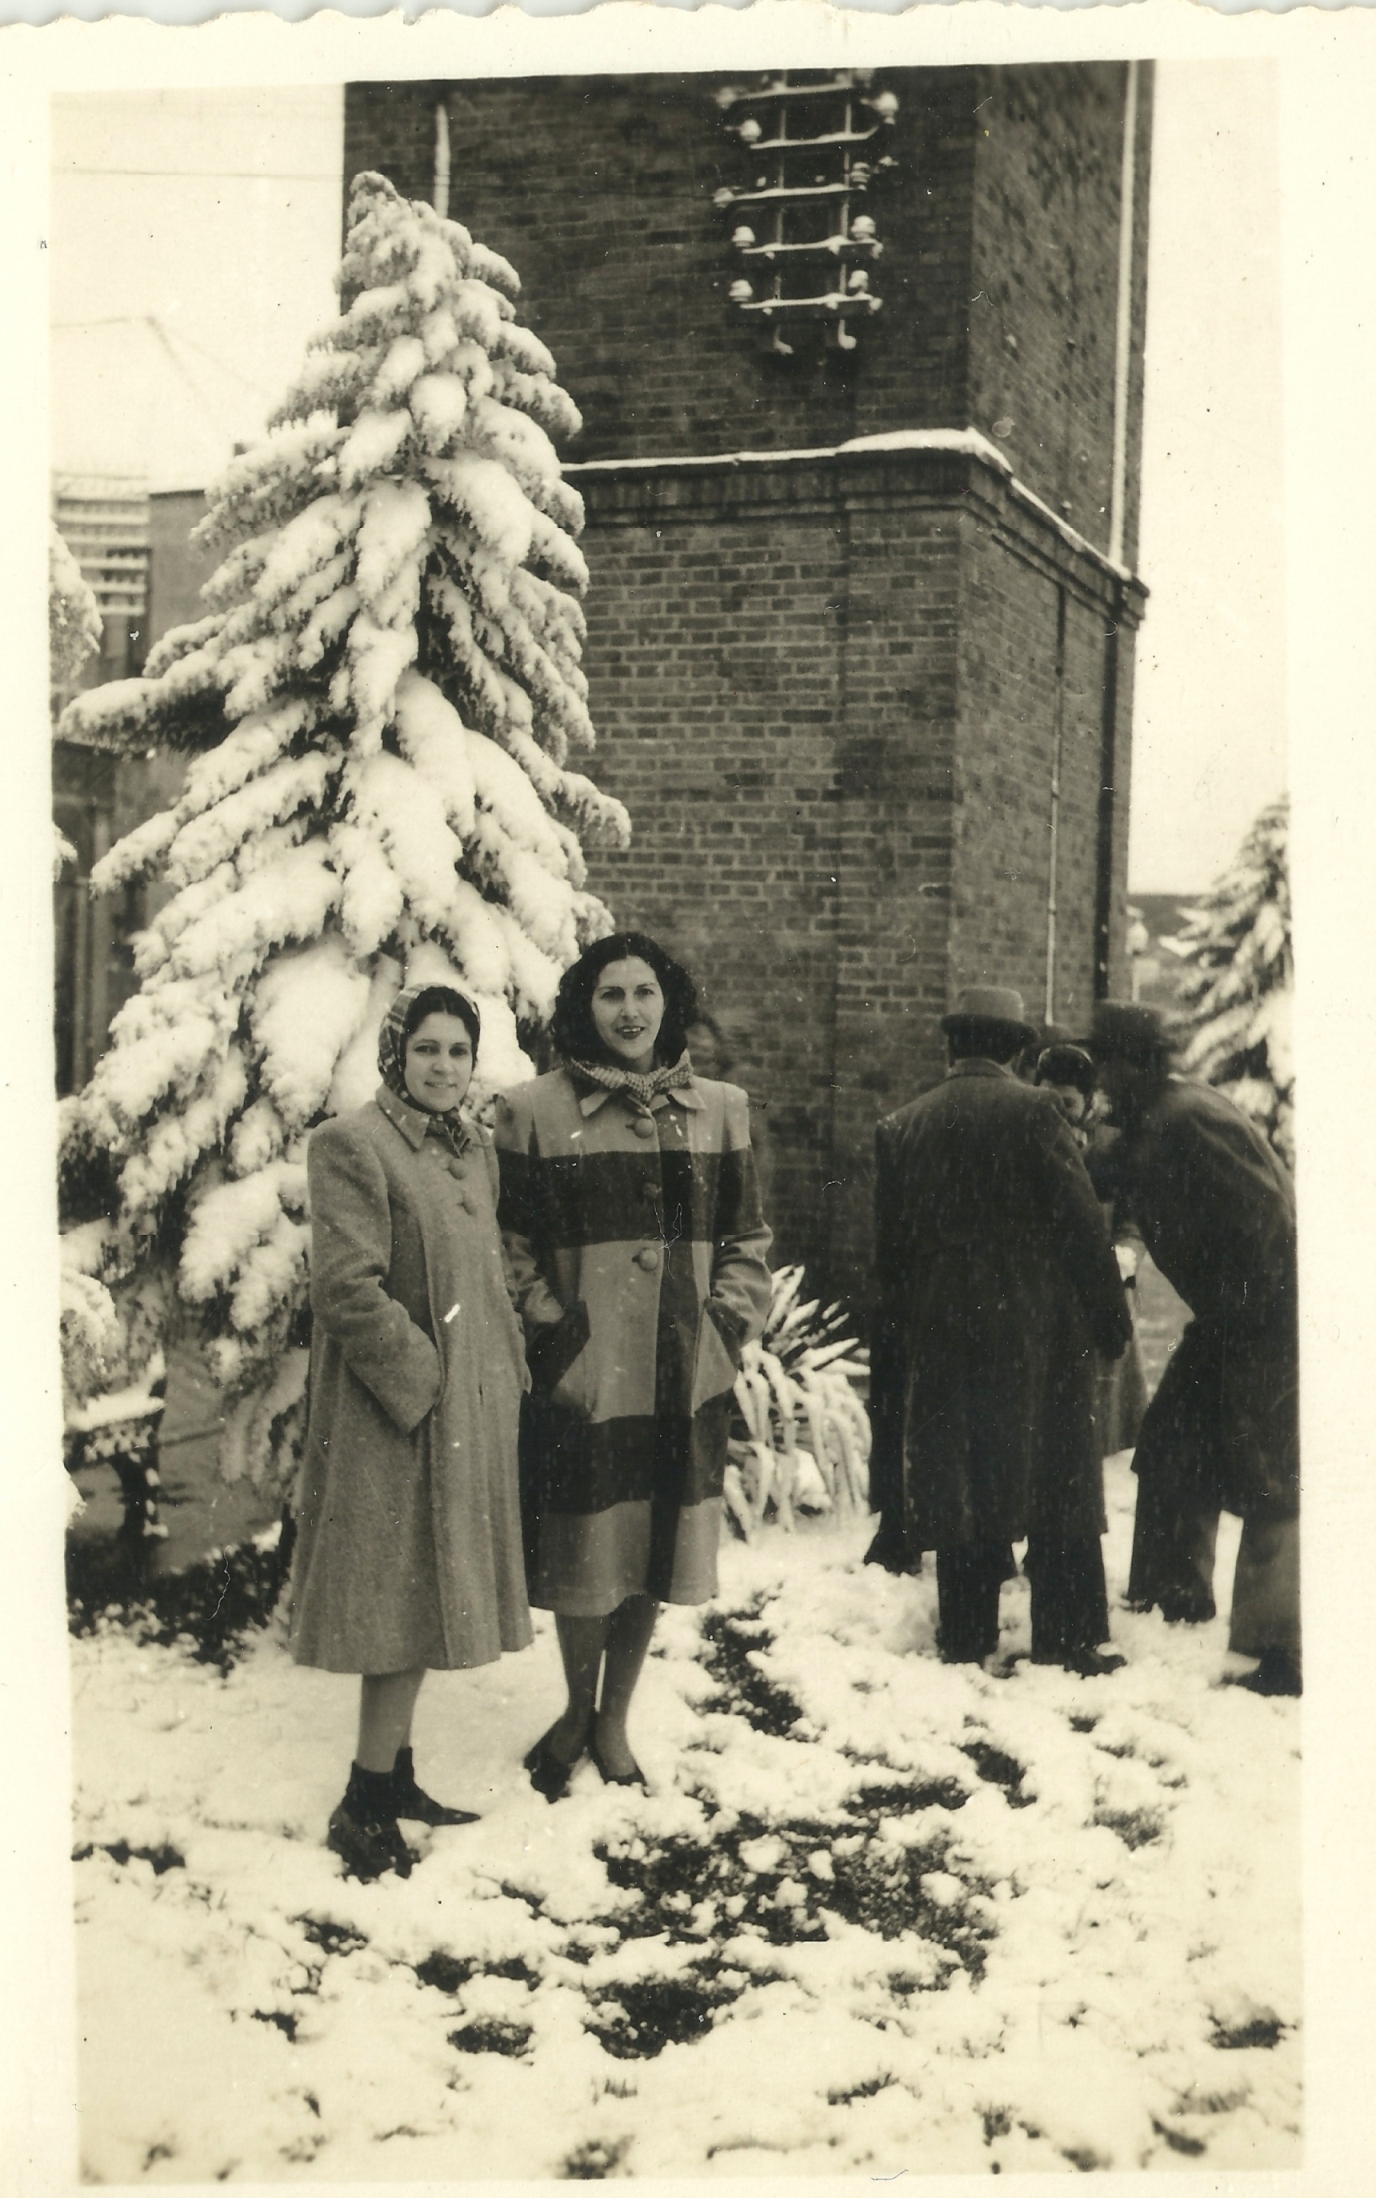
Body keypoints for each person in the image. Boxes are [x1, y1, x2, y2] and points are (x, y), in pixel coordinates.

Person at [494, 933, 772, 1797]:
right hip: (587, 1374)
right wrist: (556, 1343)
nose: (629, 1011)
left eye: (644, 992)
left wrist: (722, 1333)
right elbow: (508, 1247)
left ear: (668, 1002)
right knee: (587, 1548)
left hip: (682, 1372)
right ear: (586, 1007)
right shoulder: (533, 1111)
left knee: (652, 1547)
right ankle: (576, 1711)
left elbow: (747, 1239)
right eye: (610, 994)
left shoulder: (720, 1108)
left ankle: (613, 1721)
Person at [289, 984, 533, 1880]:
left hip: (464, 1415)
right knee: (397, 1604)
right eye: (426, 1049)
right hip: (391, 1420)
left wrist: (504, 1369)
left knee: (423, 1597)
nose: (443, 1066)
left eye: (458, 1051)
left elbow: (487, 1275)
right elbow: (346, 1289)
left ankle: (393, 1778)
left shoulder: (470, 1149)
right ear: (396, 1055)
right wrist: (426, 1382)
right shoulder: (353, 1144)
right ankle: (362, 1801)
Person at [869, 985, 1134, 1674]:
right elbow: (1082, 1225)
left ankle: (965, 1634)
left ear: (952, 1044)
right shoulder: (1038, 1110)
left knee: (964, 1475)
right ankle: (1067, 1637)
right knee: (1057, 1479)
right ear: (1017, 1049)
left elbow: (890, 1258)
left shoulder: (902, 1125)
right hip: (1036, 1331)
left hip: (943, 1332)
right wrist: (1110, 1321)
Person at [1083, 1002, 1301, 1694]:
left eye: (1106, 1063)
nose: (1099, 1077)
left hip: (1271, 1318)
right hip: (1235, 1319)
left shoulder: (1186, 1119)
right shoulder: (1159, 1117)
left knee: (1273, 1474)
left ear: (1137, 1062)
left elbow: (1269, 1216)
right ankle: (1170, 1595)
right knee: (1173, 1440)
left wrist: (1250, 1321)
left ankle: (1281, 1651)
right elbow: (1098, 1171)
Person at [1034, 1037, 1149, 1457]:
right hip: (1047, 1295)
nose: (1057, 1113)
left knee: (1097, 1414)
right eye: (1046, 1100)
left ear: (1087, 1102)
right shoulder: (1029, 1140)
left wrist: (1123, 1257)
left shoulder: (1112, 1149)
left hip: (1101, 1294)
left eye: (1066, 1103)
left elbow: (1133, 1220)